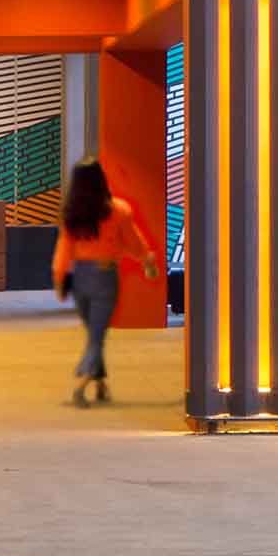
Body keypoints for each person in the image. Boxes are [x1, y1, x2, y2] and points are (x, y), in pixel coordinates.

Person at [52, 155, 161, 408]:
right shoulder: (118, 211)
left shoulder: (71, 215)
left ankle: (100, 385)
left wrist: (59, 279)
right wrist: (148, 262)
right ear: (101, 180)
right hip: (104, 276)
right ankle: (83, 383)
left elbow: (64, 250)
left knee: (94, 333)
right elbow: (134, 242)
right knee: (96, 335)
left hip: (80, 278)